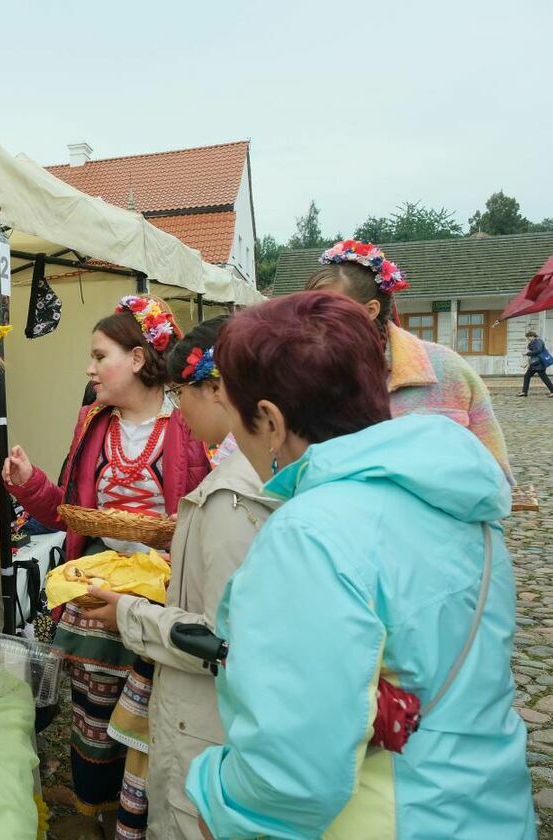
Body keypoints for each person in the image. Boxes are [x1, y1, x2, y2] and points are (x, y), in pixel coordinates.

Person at [183, 291, 535, 839]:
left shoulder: (310, 534)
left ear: (271, 421)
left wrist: (218, 802)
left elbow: (294, 769)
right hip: (489, 803)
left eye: (230, 410)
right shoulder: (456, 496)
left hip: (387, 817)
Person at [3, 295, 210, 838]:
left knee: (148, 715)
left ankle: (141, 820)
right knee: (92, 711)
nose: (89, 369)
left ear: (138, 359)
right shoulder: (92, 424)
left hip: (159, 596)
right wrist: (29, 482)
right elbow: (70, 514)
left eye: (100, 355)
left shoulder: (188, 425)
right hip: (94, 589)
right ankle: (94, 814)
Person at [82, 315, 275, 840]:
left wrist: (129, 611)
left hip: (206, 721)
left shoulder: (232, 499)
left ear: (216, 389)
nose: (177, 407)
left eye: (181, 392)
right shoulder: (241, 479)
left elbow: (220, 640)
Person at [306, 239, 514, 484]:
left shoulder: (447, 370)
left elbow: (496, 472)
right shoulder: (303, 373)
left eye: (327, 307)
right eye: (309, 307)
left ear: (370, 310)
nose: (313, 318)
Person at [520, 329, 553, 397]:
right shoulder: (533, 342)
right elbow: (530, 348)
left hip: (539, 363)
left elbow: (538, 350)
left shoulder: (538, 341)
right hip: (534, 364)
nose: (528, 339)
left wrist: (527, 353)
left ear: (532, 336)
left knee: (544, 378)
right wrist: (529, 347)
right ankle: (524, 392)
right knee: (527, 376)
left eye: (528, 337)